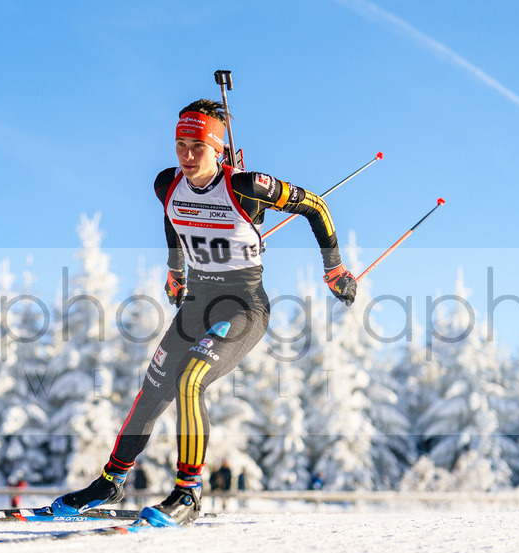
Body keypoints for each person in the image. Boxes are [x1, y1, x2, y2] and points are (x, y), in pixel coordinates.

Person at [52, 98, 356, 526]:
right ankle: (110, 480)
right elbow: (172, 218)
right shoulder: (166, 184)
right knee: (153, 389)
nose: (187, 155)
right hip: (197, 302)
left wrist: (335, 268)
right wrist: (176, 272)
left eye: (198, 146)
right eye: (181, 144)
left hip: (244, 305)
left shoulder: (247, 185)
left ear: (217, 148)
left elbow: (317, 206)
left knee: (190, 379)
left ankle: (188, 493)